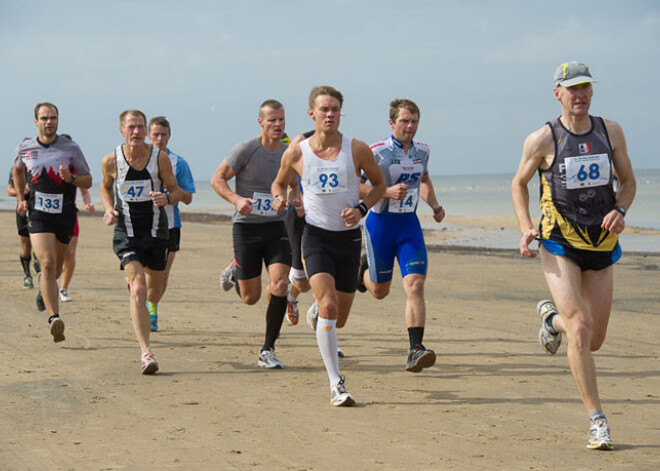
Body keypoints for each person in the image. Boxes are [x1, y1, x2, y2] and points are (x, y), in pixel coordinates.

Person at [511, 61, 636, 450]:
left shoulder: (609, 131)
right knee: (579, 328)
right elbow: (518, 183)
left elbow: (628, 182)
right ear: (558, 94)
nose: (579, 94)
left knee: (593, 339)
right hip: (559, 241)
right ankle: (598, 421)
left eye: (585, 87)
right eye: (571, 88)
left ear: (591, 92)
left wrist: (621, 209)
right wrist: (525, 225)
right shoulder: (542, 139)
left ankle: (551, 318)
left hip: (601, 244)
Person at [272, 85, 385, 406]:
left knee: (340, 316)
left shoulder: (357, 149)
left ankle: (321, 316)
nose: (330, 114)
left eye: (335, 109)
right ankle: (336, 383)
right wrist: (282, 198)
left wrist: (361, 209)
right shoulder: (297, 152)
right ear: (312, 113)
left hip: (348, 240)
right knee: (330, 307)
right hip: (316, 237)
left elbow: (379, 185)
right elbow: (279, 182)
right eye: (324, 109)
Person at [358, 98, 445, 373]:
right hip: (380, 226)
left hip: (409, 226)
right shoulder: (376, 151)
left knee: (415, 285)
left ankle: (415, 349)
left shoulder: (423, 151)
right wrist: (384, 192)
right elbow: (357, 186)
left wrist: (434, 205)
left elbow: (424, 180)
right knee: (380, 292)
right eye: (405, 121)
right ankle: (361, 271)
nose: (410, 126)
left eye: (414, 121)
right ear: (392, 122)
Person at [100, 109, 183, 374]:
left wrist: (167, 198)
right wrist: (108, 208)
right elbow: (104, 187)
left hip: (158, 233)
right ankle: (146, 353)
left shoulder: (160, 160)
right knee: (138, 290)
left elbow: (177, 190)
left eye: (140, 127)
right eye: (131, 127)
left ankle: (140, 289)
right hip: (126, 234)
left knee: (153, 294)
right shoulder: (111, 160)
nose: (136, 132)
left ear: (146, 130)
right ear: (121, 130)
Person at [211, 99, 292, 369]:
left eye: (281, 119)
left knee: (280, 284)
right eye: (272, 120)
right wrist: (236, 200)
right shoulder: (246, 150)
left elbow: (294, 186)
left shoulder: (289, 153)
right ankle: (236, 269)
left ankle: (267, 349)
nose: (278, 124)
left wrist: (290, 200)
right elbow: (217, 179)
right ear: (261, 122)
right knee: (251, 297)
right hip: (246, 228)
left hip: (277, 227)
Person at [12, 102, 93, 342]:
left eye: (53, 118)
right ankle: (53, 318)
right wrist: (20, 198)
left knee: (56, 269)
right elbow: (17, 171)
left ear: (58, 120)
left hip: (65, 214)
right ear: (36, 121)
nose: (49, 122)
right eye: (45, 118)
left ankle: (43, 289)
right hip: (38, 215)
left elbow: (88, 180)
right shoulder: (24, 148)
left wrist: (73, 177)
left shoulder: (71, 148)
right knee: (47, 265)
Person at [145, 116, 196, 331]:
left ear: (169, 136)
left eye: (163, 135)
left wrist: (172, 192)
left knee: (162, 273)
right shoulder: (139, 159)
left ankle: (152, 308)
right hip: (142, 224)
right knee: (142, 271)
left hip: (170, 225)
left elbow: (188, 197)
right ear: (148, 135)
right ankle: (143, 301)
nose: (159, 139)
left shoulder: (179, 163)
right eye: (155, 135)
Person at [57, 134, 95, 302]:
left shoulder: (74, 167)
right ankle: (47, 279)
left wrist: (88, 204)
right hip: (48, 216)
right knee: (51, 254)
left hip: (70, 213)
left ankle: (63, 288)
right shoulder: (48, 163)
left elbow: (84, 189)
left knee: (70, 253)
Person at [7, 151, 36, 289]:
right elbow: (9, 190)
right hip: (22, 210)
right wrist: (21, 192)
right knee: (26, 246)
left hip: (38, 210)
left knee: (40, 243)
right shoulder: (16, 169)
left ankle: (40, 268)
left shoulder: (38, 167)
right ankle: (27, 274)